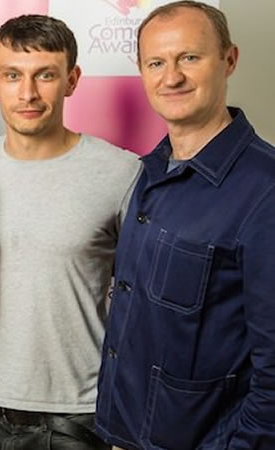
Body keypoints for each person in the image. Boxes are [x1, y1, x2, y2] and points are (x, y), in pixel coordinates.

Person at [94, 2, 275, 449]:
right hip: (125, 434)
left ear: (228, 60)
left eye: (189, 58)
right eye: (157, 62)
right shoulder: (149, 172)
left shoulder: (265, 190)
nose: (171, 77)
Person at [0, 15, 139, 450]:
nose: (28, 93)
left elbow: (146, 303)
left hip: (88, 413)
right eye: (13, 76)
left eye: (45, 75)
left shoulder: (122, 172)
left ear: (72, 79)